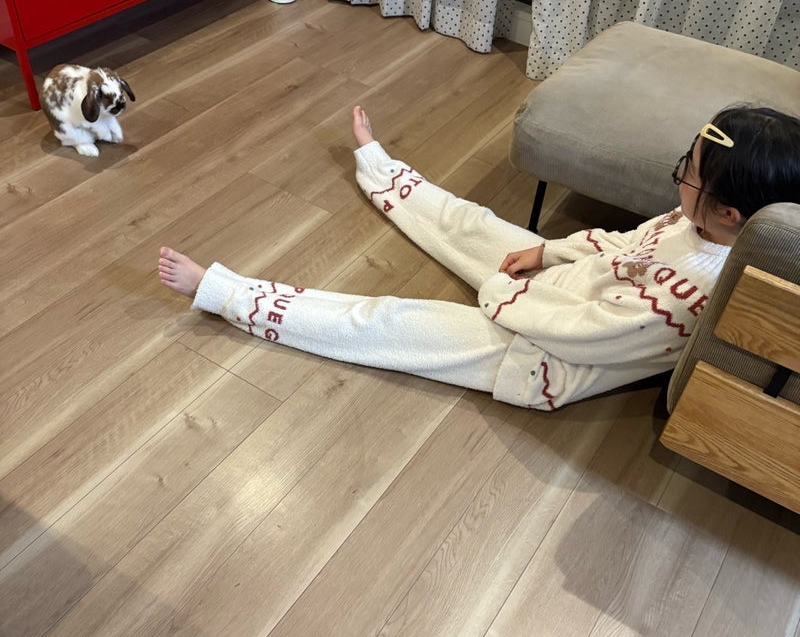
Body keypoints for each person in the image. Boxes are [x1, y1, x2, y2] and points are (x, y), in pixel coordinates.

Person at [158, 104, 800, 410]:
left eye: (688, 174)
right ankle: (379, 167)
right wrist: (546, 251)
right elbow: (621, 246)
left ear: (730, 213)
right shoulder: (698, 221)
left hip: (548, 357)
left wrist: (504, 296)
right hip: (566, 291)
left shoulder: (689, 297)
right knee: (477, 226)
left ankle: (225, 293)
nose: (678, 177)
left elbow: (588, 335)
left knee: (389, 323)